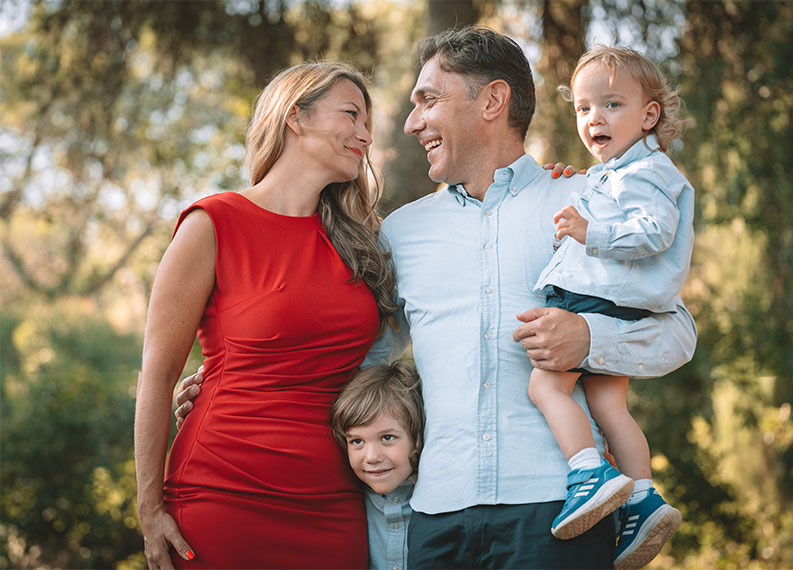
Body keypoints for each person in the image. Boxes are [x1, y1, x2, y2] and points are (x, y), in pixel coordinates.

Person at [176, 26, 697, 569]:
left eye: (428, 99)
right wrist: (234, 386)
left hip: (558, 510)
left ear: (493, 100)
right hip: (434, 521)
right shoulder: (400, 234)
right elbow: (362, 359)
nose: (410, 123)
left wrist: (590, 337)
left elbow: (676, 331)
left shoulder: (583, 202)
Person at [134, 62, 398, 569]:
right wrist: (149, 508)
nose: (365, 136)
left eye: (368, 122)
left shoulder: (364, 243)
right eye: (351, 115)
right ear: (295, 117)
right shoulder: (212, 223)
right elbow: (158, 373)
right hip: (223, 492)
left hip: (334, 500)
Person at [528, 45, 691, 569]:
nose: (594, 117)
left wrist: (588, 230)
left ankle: (587, 471)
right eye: (583, 108)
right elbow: (616, 197)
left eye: (612, 105)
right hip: (619, 301)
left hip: (597, 294)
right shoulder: (622, 170)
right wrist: (578, 182)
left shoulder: (643, 172)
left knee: (545, 385)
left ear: (649, 115)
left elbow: (653, 230)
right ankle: (642, 498)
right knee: (608, 405)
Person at [330, 360, 424, 570]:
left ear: (416, 435)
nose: (371, 457)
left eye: (387, 437)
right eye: (357, 441)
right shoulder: (349, 503)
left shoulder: (438, 501)